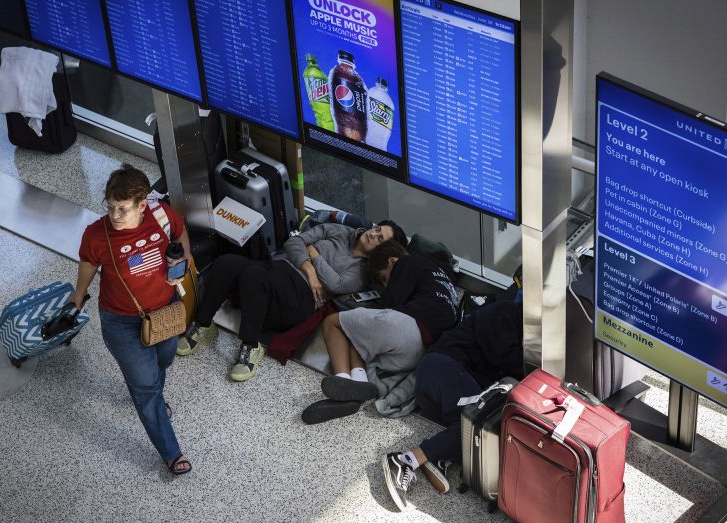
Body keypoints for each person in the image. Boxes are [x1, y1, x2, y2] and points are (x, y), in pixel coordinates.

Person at [72, 164, 193, 475]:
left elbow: (180, 232)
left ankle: (150, 395)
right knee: (147, 386)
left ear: (142, 204)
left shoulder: (161, 215)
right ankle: (171, 453)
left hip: (164, 311)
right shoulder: (97, 234)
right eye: (111, 207)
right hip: (121, 321)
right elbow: (88, 263)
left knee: (164, 360)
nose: (115, 215)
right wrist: (78, 295)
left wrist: (184, 258)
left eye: (123, 209)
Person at [178, 220, 407, 382]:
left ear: (383, 249)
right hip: (279, 268)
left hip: (300, 298)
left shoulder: (363, 271)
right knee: (227, 262)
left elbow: (337, 284)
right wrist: (309, 268)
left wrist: (314, 254)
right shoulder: (340, 230)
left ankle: (250, 346)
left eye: (380, 238)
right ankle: (203, 324)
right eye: (376, 229)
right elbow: (295, 242)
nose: (373, 234)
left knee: (253, 275)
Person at [381, 299, 524, 511]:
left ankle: (438, 455)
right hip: (444, 367)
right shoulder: (508, 312)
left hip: (447, 390)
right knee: (476, 430)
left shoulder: (516, 324)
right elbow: (507, 359)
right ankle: (403, 461)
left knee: (482, 435)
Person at [301, 240, 460, 424]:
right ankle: (357, 387)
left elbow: (389, 302)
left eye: (384, 278)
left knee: (331, 323)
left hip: (406, 327)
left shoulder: (408, 262)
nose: (385, 284)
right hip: (419, 354)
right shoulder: (445, 281)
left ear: (392, 260)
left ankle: (343, 378)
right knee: (358, 336)